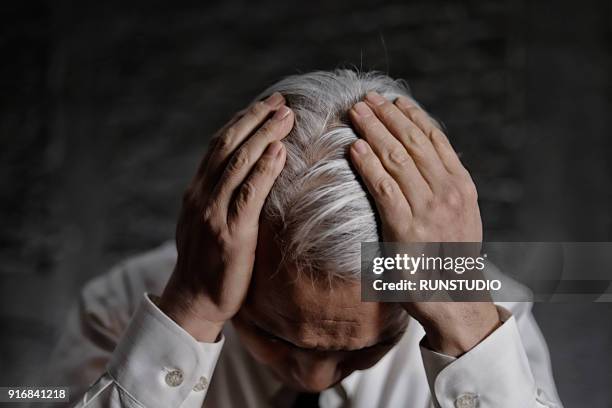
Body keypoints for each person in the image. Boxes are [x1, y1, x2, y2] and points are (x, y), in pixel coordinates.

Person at [45, 70, 562, 407]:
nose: (314, 379)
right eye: (274, 336)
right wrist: (193, 312)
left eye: (367, 348)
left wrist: (469, 333)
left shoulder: (485, 316)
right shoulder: (121, 312)